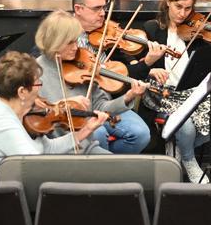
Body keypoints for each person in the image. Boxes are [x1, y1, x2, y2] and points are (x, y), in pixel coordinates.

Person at [140, 0, 211, 183]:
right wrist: (151, 68)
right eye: (178, 7)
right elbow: (139, 65)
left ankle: (177, 150)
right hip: (163, 93)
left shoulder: (199, 32)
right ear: (168, 2)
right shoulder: (152, 28)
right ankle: (190, 161)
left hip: (192, 91)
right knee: (186, 125)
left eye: (188, 8)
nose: (183, 14)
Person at [0, 51, 109, 182]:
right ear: (22, 92)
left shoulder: (20, 112)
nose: (40, 87)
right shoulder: (0, 122)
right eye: (38, 83)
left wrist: (85, 130)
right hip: (6, 191)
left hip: (26, 179)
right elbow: (37, 168)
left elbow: (47, 149)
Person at [34, 11, 149, 155]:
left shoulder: (81, 65)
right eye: (70, 42)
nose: (76, 47)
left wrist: (128, 97)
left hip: (87, 146)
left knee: (127, 169)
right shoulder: (34, 72)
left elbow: (101, 106)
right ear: (54, 41)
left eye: (76, 40)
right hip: (58, 150)